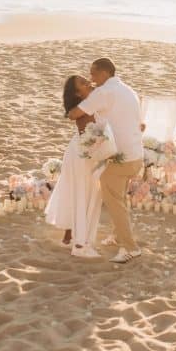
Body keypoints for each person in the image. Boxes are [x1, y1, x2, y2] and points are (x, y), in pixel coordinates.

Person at [68, 58, 144, 264]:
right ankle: (118, 236)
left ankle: (130, 248)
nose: (91, 79)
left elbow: (76, 113)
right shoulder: (129, 91)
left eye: (93, 74)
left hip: (122, 159)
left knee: (114, 202)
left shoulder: (104, 93)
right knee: (119, 197)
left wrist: (70, 109)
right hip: (137, 156)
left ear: (104, 73)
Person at [45, 75, 103, 259]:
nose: (88, 83)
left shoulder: (90, 102)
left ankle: (69, 236)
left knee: (76, 191)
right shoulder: (82, 108)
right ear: (78, 93)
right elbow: (74, 117)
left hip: (80, 149)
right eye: (84, 84)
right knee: (82, 193)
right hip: (81, 153)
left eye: (86, 79)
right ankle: (79, 244)